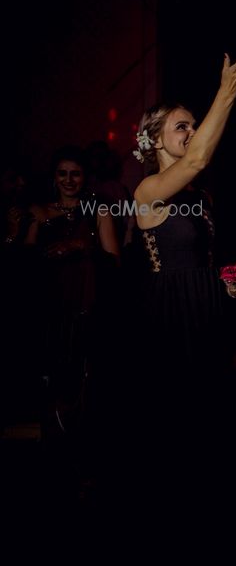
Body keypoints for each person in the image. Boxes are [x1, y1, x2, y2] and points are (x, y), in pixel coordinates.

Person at [122, 53, 236, 559]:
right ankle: (174, 533)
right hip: (167, 321)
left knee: (211, 422)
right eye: (183, 126)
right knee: (176, 426)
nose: (192, 133)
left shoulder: (199, 197)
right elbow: (199, 156)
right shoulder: (147, 191)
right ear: (155, 137)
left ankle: (215, 527)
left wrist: (224, 285)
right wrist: (226, 90)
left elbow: (195, 259)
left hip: (205, 311)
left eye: (194, 126)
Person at [24, 146, 120, 439]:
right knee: (51, 372)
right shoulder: (38, 212)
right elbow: (25, 262)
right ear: (54, 177)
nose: (68, 180)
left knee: (85, 372)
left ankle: (83, 440)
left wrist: (80, 245)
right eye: (62, 173)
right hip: (50, 302)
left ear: (84, 177)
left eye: (75, 174)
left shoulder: (97, 211)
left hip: (86, 300)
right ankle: (54, 440)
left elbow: (114, 258)